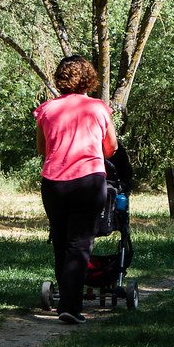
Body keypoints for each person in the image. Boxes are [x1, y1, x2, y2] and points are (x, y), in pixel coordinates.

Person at [34, 56, 118, 324]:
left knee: (61, 242)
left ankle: (66, 302)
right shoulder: (98, 108)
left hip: (54, 183)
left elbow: (41, 149)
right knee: (80, 244)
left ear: (60, 79)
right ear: (89, 79)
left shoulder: (47, 110)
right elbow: (111, 147)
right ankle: (70, 306)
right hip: (88, 181)